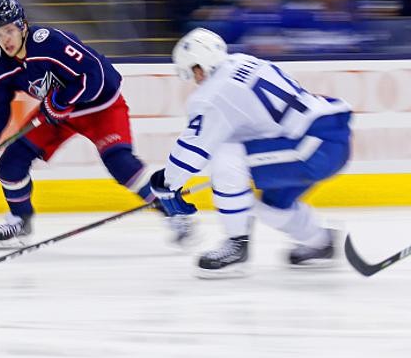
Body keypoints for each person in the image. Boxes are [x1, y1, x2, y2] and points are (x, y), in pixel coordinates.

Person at [0, 0, 192, 249]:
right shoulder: (2, 65)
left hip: (99, 107)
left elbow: (95, 73)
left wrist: (61, 102)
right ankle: (20, 221)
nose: (5, 39)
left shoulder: (48, 41)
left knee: (121, 164)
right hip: (57, 115)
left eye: (9, 30)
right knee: (11, 162)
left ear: (22, 26)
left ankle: (174, 212)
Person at [150, 27, 352, 278]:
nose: (196, 78)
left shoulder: (212, 95)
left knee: (226, 157)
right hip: (327, 139)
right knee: (272, 208)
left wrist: (167, 183)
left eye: (194, 71)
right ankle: (321, 241)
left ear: (200, 66)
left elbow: (193, 149)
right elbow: (253, 123)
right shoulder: (245, 61)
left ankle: (236, 245)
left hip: (311, 148)